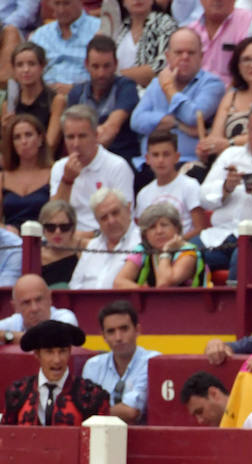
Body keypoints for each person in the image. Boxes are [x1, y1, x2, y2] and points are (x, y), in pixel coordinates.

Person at [197, 101, 252, 256]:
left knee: (242, 260)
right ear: (247, 131)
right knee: (182, 254)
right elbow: (204, 200)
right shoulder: (230, 154)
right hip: (218, 235)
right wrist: (226, 187)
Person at [128, 28, 225, 165]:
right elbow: (136, 121)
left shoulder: (212, 84)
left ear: (201, 57)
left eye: (191, 53)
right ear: (168, 56)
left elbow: (193, 117)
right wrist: (177, 124)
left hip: (189, 164)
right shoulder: (157, 83)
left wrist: (169, 89)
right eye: (179, 52)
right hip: (148, 164)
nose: (185, 57)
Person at [2, 319, 108, 426]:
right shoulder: (17, 394)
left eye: (62, 351)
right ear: (37, 354)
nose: (57, 360)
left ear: (70, 352)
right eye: (49, 352)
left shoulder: (92, 395)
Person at [50, 105, 135, 238]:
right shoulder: (59, 167)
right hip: (65, 240)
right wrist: (67, 180)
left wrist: (82, 237)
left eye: (82, 136)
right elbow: (54, 216)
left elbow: (124, 217)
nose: (76, 144)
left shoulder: (117, 166)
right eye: (70, 137)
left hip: (105, 238)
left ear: (96, 135)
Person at [81, 300, 159, 424]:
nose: (118, 337)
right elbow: (84, 409)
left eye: (124, 329)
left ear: (137, 330)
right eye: (111, 331)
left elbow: (131, 412)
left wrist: (96, 412)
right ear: (103, 336)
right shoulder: (93, 366)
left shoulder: (152, 362)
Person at [65, 34, 139, 164]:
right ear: (86, 65)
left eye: (106, 66)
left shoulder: (126, 87)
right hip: (84, 160)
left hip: (121, 159)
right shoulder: (76, 94)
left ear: (116, 64)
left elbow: (112, 128)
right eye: (96, 66)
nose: (101, 73)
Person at [113, 201, 205, 288]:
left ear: (177, 228)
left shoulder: (188, 251)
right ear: (145, 234)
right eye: (152, 227)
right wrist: (143, 291)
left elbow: (163, 284)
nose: (159, 231)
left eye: (164, 225)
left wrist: (166, 252)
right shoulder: (142, 249)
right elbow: (118, 283)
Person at [136, 129, 208, 235]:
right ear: (147, 159)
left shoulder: (190, 185)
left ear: (177, 157)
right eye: (155, 155)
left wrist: (175, 244)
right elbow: (143, 231)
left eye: (166, 154)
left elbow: (200, 228)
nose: (160, 160)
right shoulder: (143, 194)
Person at [68, 187, 141, 290]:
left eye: (115, 213)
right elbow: (74, 285)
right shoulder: (92, 246)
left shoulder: (142, 241)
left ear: (128, 209)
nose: (111, 221)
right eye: (104, 217)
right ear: (97, 221)